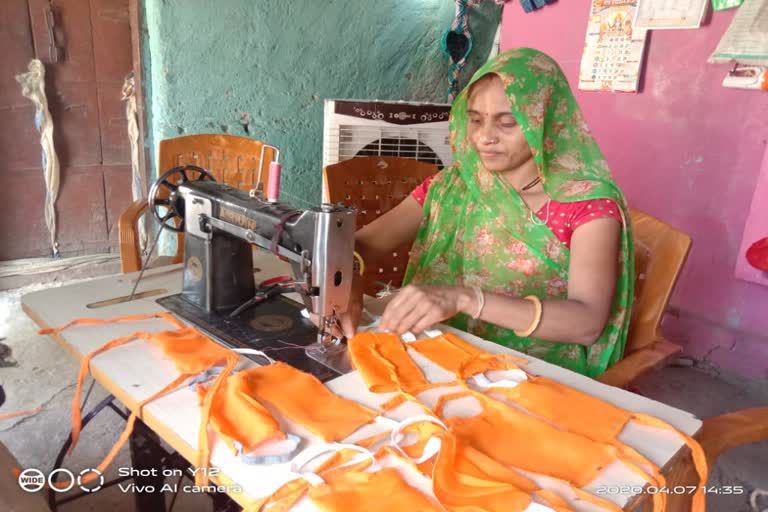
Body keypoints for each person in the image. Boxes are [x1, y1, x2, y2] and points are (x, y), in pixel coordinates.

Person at [342, 48, 634, 377]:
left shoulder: (587, 207)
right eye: (475, 119)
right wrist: (346, 279)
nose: (484, 137)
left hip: (533, 372)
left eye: (507, 122)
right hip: (443, 350)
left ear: (545, 122)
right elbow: (361, 246)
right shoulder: (452, 186)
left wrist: (467, 300)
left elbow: (586, 323)